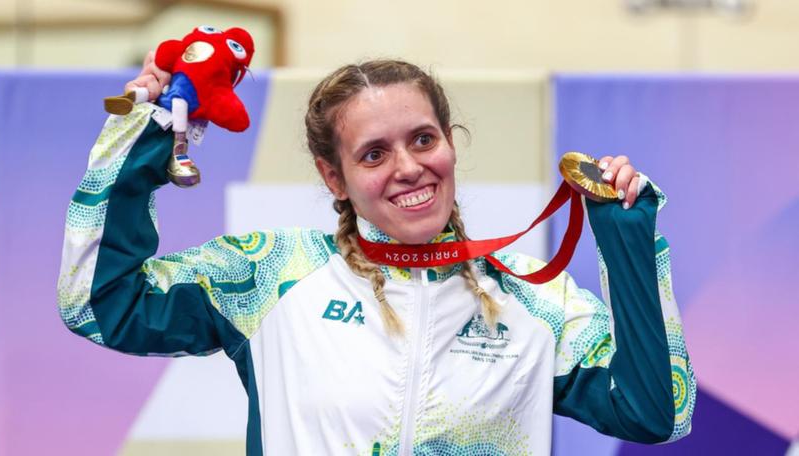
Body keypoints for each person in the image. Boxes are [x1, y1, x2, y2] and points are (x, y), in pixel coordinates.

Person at [58, 54, 695, 455]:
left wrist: (628, 241)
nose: (409, 168)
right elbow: (99, 303)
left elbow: (658, 414)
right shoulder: (270, 274)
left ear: (451, 143)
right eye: (373, 153)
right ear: (333, 178)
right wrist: (143, 140)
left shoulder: (532, 297)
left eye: (424, 139)